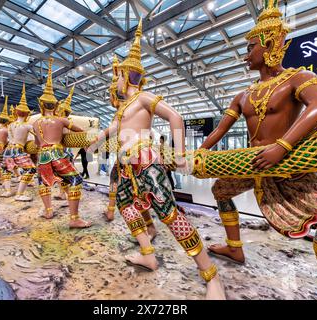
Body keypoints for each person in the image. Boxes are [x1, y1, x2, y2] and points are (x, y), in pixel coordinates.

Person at [200, 0, 317, 300]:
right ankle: (234, 249)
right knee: (220, 191)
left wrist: (282, 147)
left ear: (269, 44)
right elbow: (219, 130)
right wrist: (198, 153)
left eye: (250, 47)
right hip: (252, 163)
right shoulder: (242, 94)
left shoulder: (298, 78)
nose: (245, 55)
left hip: (288, 164)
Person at [88, 20, 225, 299]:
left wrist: (178, 154)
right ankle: (148, 254)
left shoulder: (143, 98)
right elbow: (113, 129)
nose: (114, 81)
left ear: (127, 76)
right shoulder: (123, 107)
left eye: (117, 76)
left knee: (169, 214)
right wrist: (96, 140)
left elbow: (175, 117)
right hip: (127, 164)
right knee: (127, 208)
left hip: (147, 159)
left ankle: (211, 275)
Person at [32, 58, 91, 228]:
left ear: (41, 105)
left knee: (43, 182)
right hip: (58, 153)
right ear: (57, 105)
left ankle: (48, 210)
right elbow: (80, 130)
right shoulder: (61, 120)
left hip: (42, 155)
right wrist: (84, 141)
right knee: (76, 180)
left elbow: (37, 143)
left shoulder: (35, 123)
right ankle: (74, 218)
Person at [1, 84, 37, 201]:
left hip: (8, 149)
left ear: (16, 112)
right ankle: (19, 194)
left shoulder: (11, 125)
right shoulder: (27, 125)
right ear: (27, 114)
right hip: (18, 149)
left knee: (6, 169)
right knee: (31, 169)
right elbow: (36, 137)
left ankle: (7, 191)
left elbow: (9, 139)